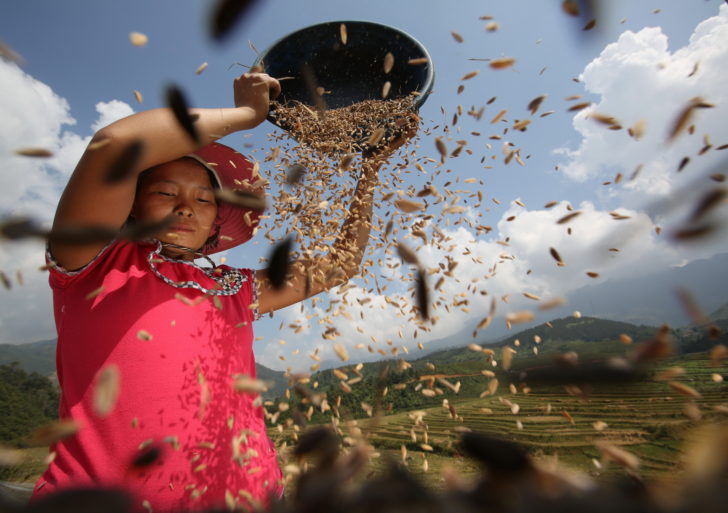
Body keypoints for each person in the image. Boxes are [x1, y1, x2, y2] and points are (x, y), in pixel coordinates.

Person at [30, 71, 417, 513]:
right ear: (131, 205)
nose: (184, 207)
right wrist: (246, 115)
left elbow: (341, 264)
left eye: (203, 199)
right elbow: (113, 147)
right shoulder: (94, 266)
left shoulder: (232, 288)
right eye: (163, 191)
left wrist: (369, 169)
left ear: (216, 221)